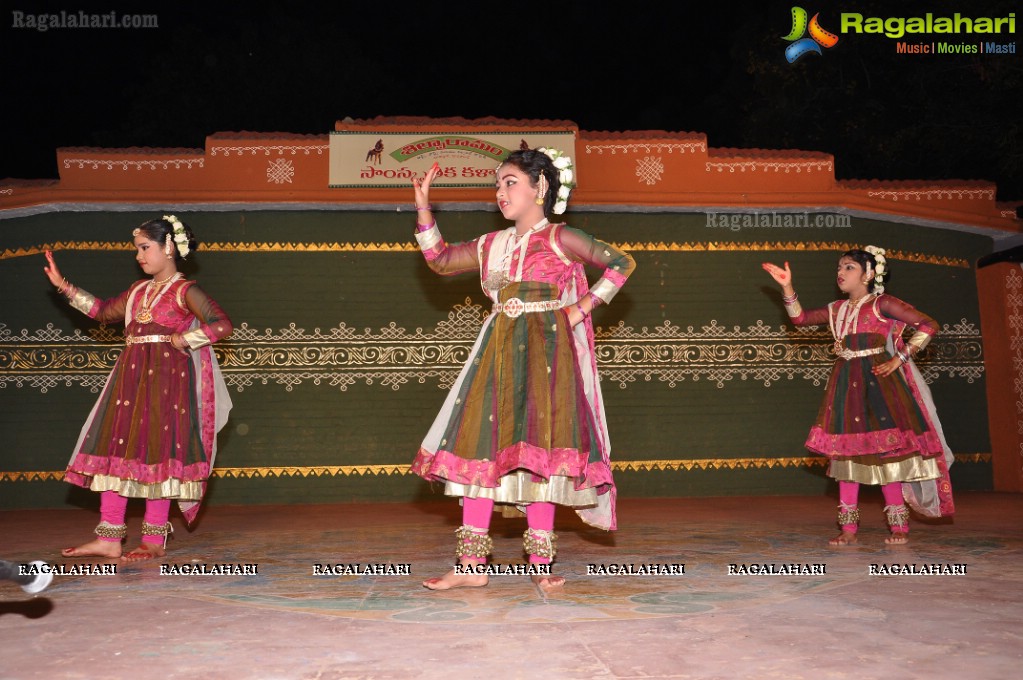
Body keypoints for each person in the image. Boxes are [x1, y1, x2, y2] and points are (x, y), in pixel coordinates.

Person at [411, 149, 635, 590]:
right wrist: (423, 207)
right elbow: (438, 260)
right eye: (497, 184)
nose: (500, 192)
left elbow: (621, 263)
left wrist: (579, 310)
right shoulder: (491, 245)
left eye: (510, 182)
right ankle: (471, 567)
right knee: (482, 446)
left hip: (547, 355)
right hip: (497, 352)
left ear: (541, 188)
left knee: (542, 453)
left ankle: (540, 564)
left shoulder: (560, 237)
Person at [43, 216, 233, 561]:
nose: (139, 256)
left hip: (167, 387)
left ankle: (153, 540)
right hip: (129, 382)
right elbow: (102, 312)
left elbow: (222, 325)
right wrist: (64, 286)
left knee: (158, 454)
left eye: (145, 248)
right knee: (117, 451)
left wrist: (185, 338)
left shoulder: (185, 291)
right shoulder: (136, 291)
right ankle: (109, 537)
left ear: (169, 248)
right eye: (137, 249)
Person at [762, 248, 954, 545]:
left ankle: (899, 527)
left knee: (887, 456)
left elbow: (928, 325)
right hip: (845, 388)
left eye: (849, 267)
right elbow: (800, 319)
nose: (841, 272)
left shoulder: (883, 304)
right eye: (839, 267)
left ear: (869, 274)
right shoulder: (837, 309)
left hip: (880, 388)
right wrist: (787, 287)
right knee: (846, 456)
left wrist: (899, 359)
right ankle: (848, 530)